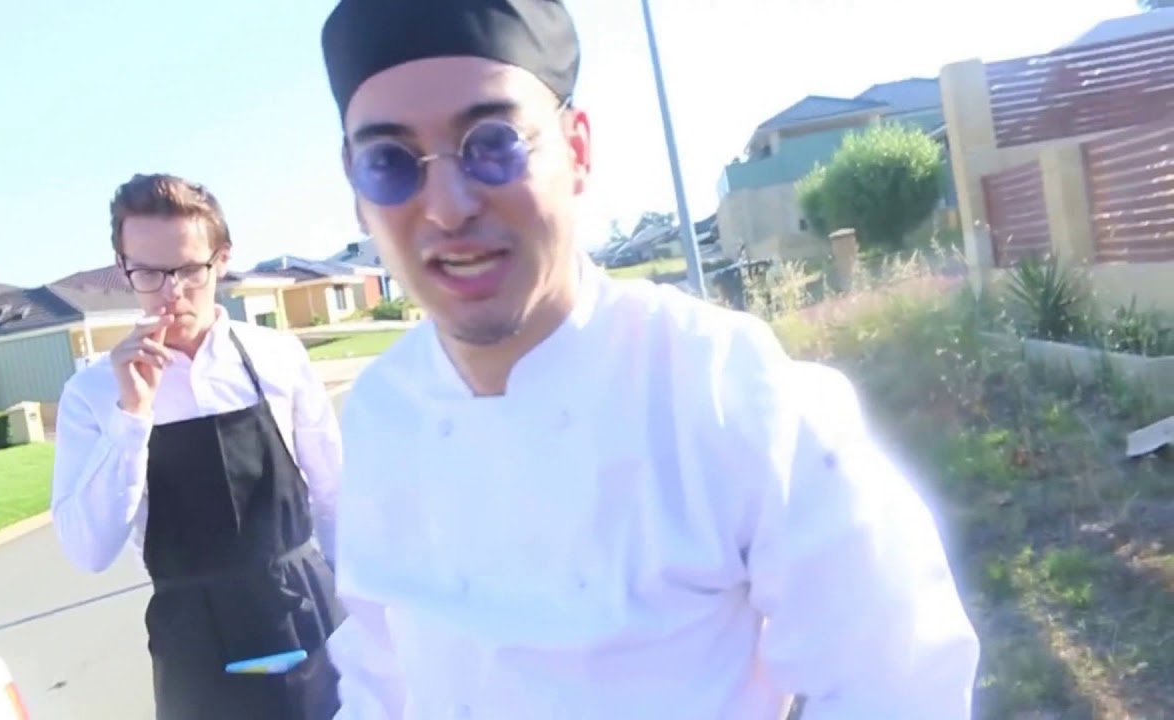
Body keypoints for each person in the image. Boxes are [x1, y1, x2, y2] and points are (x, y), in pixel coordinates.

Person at [319, 1, 981, 718]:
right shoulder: (383, 410)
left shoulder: (723, 387)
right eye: (389, 164)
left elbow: (895, 681)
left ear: (576, 149)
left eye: (492, 144)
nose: (448, 207)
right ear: (354, 188)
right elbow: (379, 674)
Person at [49, 173, 344, 719]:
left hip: (314, 619)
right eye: (148, 273)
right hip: (194, 648)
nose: (171, 292)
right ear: (122, 267)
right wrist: (131, 416)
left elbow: (334, 498)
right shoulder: (92, 393)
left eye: (188, 270)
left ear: (221, 259)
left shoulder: (278, 357)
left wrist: (370, 620)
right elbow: (89, 552)